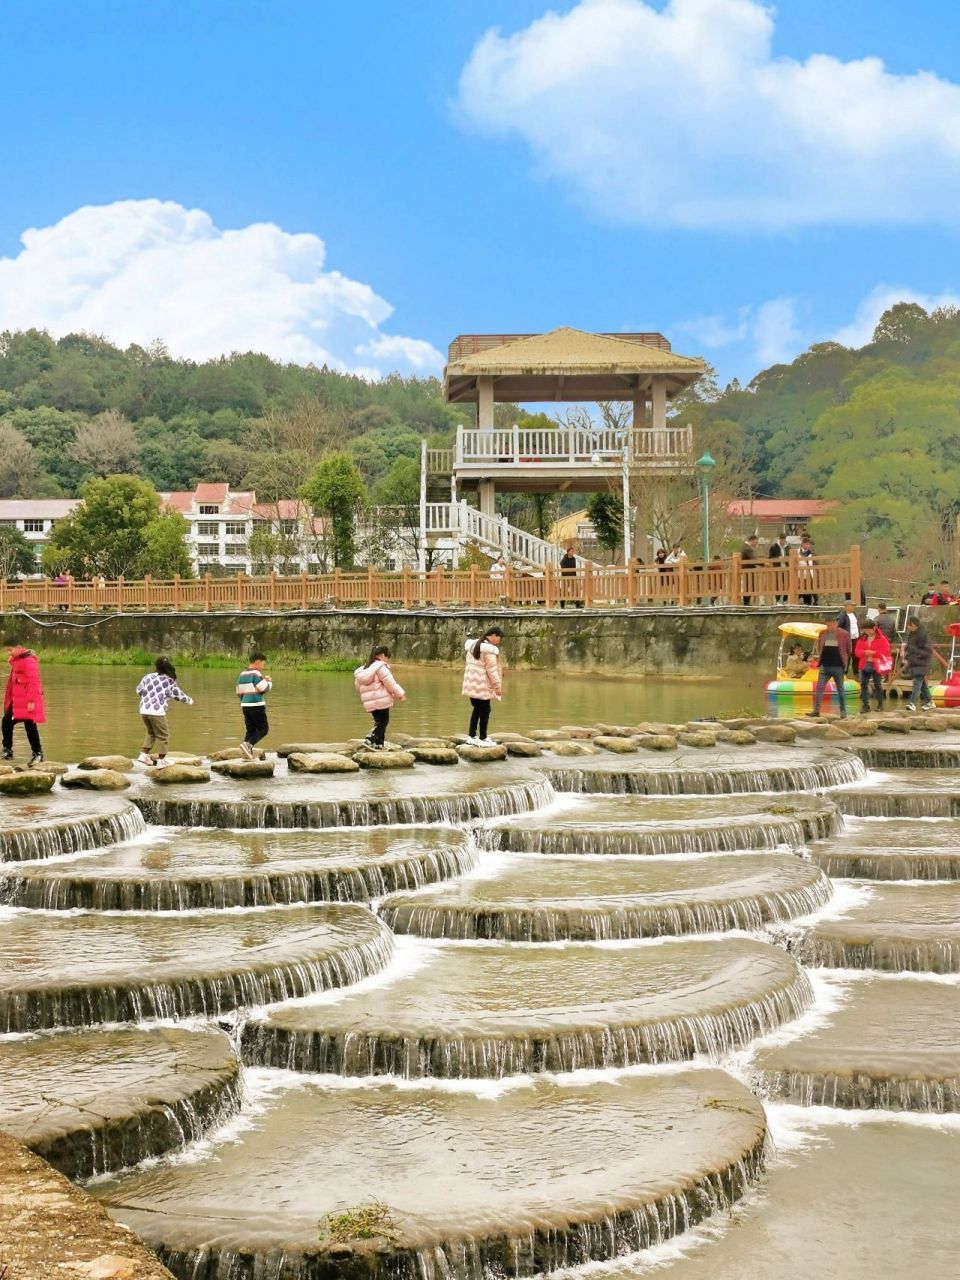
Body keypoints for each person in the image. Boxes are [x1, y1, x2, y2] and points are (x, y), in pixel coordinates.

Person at [136, 656, 194, 768]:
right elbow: (178, 695)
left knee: (151, 732)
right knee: (163, 736)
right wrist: (190, 701)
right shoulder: (168, 680)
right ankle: (162, 760)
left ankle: (143, 755)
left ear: (156, 666)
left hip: (144, 710)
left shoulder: (147, 677)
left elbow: (138, 690)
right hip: (157, 712)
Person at [2, 643, 46, 766]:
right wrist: (13, 656)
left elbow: (33, 681)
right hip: (19, 699)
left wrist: (31, 701)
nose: (9, 653)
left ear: (18, 647)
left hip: (27, 700)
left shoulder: (29, 661)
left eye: (10, 650)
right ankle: (9, 750)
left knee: (26, 725)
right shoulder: (20, 660)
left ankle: (36, 753)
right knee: (10, 722)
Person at [354, 644, 406, 748]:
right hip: (381, 700)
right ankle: (370, 738)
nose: (387, 660)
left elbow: (357, 686)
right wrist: (400, 694)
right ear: (382, 655)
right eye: (387, 658)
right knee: (383, 722)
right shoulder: (380, 667)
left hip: (369, 701)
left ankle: (378, 744)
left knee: (379, 722)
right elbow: (390, 682)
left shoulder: (364, 669)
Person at [462, 626, 503, 746]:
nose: (499, 641)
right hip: (482, 685)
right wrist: (497, 686)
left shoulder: (473, 646)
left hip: (471, 683)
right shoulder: (489, 650)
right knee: (485, 710)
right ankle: (483, 738)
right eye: (499, 638)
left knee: (477, 709)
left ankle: (471, 736)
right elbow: (492, 670)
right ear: (494, 635)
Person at [808, 619, 849, 718]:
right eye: (827, 625)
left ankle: (843, 712)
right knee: (819, 688)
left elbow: (848, 649)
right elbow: (819, 647)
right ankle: (816, 711)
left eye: (830, 625)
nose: (829, 627)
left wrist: (845, 664)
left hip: (838, 666)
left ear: (836, 624)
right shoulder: (822, 633)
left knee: (840, 690)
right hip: (824, 666)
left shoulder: (844, 634)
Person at [236, 651, 273, 758]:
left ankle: (246, 753)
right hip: (256, 705)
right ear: (257, 662)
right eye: (263, 664)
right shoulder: (256, 674)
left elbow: (238, 692)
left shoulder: (242, 674)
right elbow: (264, 688)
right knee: (263, 729)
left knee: (250, 730)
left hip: (245, 706)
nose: (263, 667)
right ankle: (248, 745)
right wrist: (269, 682)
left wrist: (245, 700)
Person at [854, 621, 892, 713]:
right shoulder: (862, 638)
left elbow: (886, 652)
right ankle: (865, 705)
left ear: (874, 628)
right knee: (863, 684)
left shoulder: (882, 639)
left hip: (876, 664)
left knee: (877, 684)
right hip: (864, 663)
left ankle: (880, 704)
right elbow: (857, 651)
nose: (866, 632)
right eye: (864, 630)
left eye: (867, 629)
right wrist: (864, 652)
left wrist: (875, 653)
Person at [902, 618, 935, 711]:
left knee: (917, 683)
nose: (908, 627)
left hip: (922, 662)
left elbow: (928, 650)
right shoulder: (912, 634)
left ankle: (912, 703)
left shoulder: (923, 635)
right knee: (922, 685)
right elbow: (910, 646)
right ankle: (930, 702)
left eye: (908, 625)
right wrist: (907, 652)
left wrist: (916, 653)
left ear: (913, 624)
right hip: (914, 662)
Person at [837, 600, 860, 671]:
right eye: (852, 606)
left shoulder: (854, 614)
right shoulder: (842, 616)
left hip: (855, 638)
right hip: (847, 640)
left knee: (856, 655)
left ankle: (856, 672)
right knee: (847, 656)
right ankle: (845, 672)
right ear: (847, 606)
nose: (854, 607)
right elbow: (838, 627)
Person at [559, 545, 582, 609]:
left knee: (576, 590)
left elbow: (574, 568)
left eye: (573, 551)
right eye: (571, 551)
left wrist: (575, 576)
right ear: (568, 552)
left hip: (573, 577)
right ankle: (562, 605)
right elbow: (562, 566)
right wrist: (567, 574)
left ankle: (578, 604)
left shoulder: (573, 559)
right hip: (565, 578)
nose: (572, 552)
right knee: (564, 591)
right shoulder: (564, 559)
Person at [798, 536, 818, 605]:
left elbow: (815, 563)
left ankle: (814, 602)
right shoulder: (797, 552)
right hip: (801, 575)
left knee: (811, 589)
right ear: (802, 544)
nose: (808, 546)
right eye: (806, 544)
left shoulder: (811, 553)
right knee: (802, 591)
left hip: (810, 574)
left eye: (808, 544)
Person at [741, 534, 758, 605]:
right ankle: (746, 602)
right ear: (752, 541)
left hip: (746, 570)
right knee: (750, 586)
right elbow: (753, 559)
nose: (756, 544)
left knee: (748, 586)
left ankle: (746, 602)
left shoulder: (744, 546)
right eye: (755, 542)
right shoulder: (748, 548)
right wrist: (764, 564)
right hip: (748, 570)